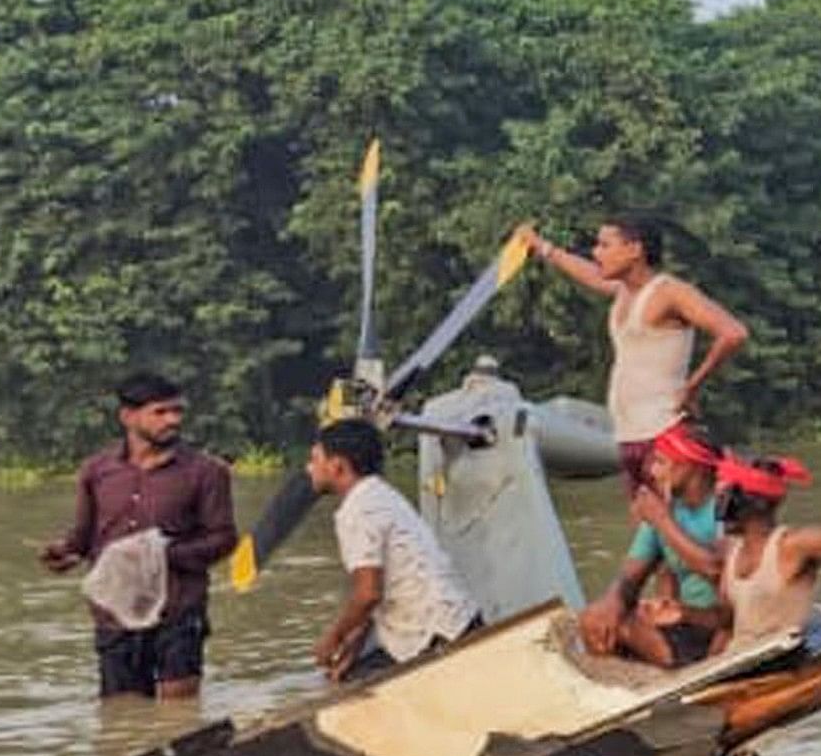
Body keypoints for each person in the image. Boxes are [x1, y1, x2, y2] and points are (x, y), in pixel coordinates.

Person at [34, 371, 242, 700]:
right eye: (160, 412)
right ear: (128, 417)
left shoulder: (206, 471)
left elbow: (224, 538)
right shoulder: (97, 471)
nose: (172, 420)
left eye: (177, 411)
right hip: (115, 612)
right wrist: (66, 553)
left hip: (178, 608)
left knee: (180, 710)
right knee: (121, 714)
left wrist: (160, 555)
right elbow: (84, 539)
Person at [521, 213, 748, 487]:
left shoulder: (670, 292)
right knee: (649, 519)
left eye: (605, 245)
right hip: (629, 433)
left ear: (634, 250)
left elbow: (733, 333)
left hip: (665, 433)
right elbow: (590, 274)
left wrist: (692, 387)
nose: (596, 253)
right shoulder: (623, 291)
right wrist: (541, 246)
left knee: (668, 522)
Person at [304, 417, 479, 684]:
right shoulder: (381, 495)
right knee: (352, 669)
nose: (309, 468)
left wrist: (333, 638)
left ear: (337, 466)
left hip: (434, 634)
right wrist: (354, 643)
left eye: (315, 459)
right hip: (454, 621)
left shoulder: (357, 510)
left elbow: (368, 594)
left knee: (347, 690)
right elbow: (374, 593)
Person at [706, 445, 821, 657]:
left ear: (753, 504)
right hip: (737, 664)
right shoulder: (731, 551)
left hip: (781, 661)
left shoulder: (794, 545)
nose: (717, 511)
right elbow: (726, 628)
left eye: (722, 500)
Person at [583, 421, 728, 667]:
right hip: (681, 621)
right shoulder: (662, 510)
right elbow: (629, 578)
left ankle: (679, 666)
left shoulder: (725, 506)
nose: (653, 472)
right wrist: (611, 603)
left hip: (719, 622)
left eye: (661, 462)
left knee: (631, 627)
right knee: (595, 620)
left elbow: (717, 569)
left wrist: (662, 520)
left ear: (690, 465)